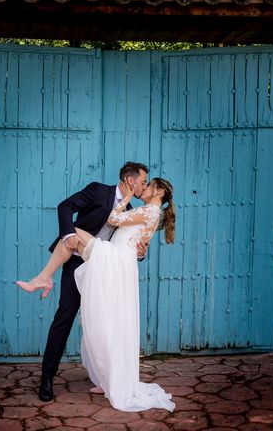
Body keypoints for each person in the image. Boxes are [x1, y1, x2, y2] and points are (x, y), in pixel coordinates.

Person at [17, 174, 177, 412]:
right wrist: (68, 233)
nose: (143, 186)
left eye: (148, 184)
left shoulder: (138, 208)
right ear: (129, 179)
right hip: (81, 264)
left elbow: (131, 237)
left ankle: (43, 278)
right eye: (142, 181)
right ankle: (47, 379)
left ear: (158, 192)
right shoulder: (99, 191)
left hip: (108, 264)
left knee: (108, 325)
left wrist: (142, 251)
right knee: (66, 317)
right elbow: (65, 207)